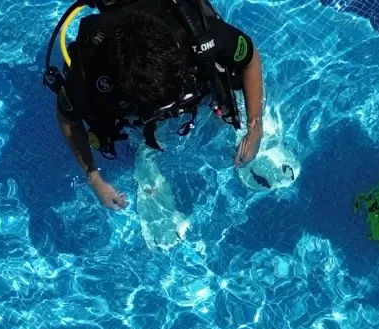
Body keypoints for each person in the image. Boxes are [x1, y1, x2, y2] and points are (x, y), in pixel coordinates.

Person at [44, 0, 265, 210]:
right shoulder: (92, 73)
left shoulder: (196, 34)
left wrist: (256, 128)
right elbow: (68, 119)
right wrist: (94, 179)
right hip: (123, 80)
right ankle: (145, 159)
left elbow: (249, 58)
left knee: (221, 79)